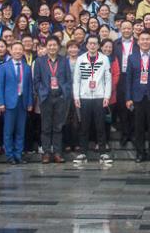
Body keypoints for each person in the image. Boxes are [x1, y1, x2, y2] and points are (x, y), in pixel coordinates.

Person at [74, 35, 113, 164]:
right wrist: (76, 96)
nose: (92, 45)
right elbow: (76, 79)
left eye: (95, 43)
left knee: (100, 125)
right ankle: (83, 153)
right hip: (84, 97)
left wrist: (107, 96)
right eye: (90, 43)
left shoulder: (104, 59)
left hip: (99, 97)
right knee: (84, 126)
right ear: (86, 45)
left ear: (98, 46)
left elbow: (108, 79)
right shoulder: (80, 59)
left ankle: (102, 153)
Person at [126, 32, 150, 163]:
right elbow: (128, 79)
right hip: (137, 98)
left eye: (148, 39)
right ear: (138, 42)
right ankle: (140, 153)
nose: (145, 41)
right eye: (143, 39)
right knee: (139, 128)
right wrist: (128, 98)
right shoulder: (132, 58)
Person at [34, 37, 72, 163]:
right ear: (46, 47)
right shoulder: (39, 61)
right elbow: (36, 81)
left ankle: (57, 152)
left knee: (58, 127)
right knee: (45, 126)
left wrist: (64, 93)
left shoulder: (64, 61)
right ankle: (46, 153)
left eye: (54, 45)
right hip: (46, 97)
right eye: (49, 45)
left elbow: (68, 79)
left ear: (58, 47)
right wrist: (42, 92)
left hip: (60, 97)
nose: (52, 47)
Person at [0, 42, 33, 164]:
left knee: (20, 130)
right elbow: (0, 86)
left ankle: (18, 154)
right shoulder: (4, 67)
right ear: (11, 51)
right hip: (9, 103)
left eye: (20, 49)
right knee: (8, 130)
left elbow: (29, 86)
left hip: (22, 101)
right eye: (15, 49)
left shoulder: (27, 67)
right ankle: (9, 155)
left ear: (23, 51)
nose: (18, 51)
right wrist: (1, 103)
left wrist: (30, 102)